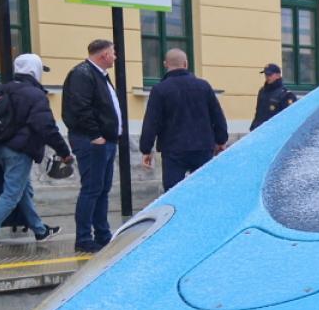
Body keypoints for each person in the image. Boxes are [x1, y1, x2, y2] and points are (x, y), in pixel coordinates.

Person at [0, 53, 70, 248]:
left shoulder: (1, 89)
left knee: (23, 191)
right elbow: (46, 126)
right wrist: (63, 150)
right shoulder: (34, 94)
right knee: (12, 193)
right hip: (20, 150)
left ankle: (40, 231)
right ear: (35, 70)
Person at [61, 38, 124, 253]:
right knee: (92, 189)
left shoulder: (99, 75)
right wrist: (96, 135)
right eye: (113, 53)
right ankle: (84, 238)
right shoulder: (83, 74)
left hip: (105, 141)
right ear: (104, 55)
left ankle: (102, 234)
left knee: (102, 189)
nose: (115, 57)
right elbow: (80, 108)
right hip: (92, 142)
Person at [140, 48, 229, 192]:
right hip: (202, 147)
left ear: (165, 64)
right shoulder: (203, 86)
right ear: (186, 64)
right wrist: (221, 140)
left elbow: (151, 122)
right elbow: (217, 115)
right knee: (203, 191)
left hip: (173, 149)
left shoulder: (160, 90)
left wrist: (146, 149)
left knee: (173, 193)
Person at [252, 62, 298, 129]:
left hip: (274, 132)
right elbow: (258, 113)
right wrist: (253, 127)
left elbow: (289, 118)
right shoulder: (262, 91)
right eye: (266, 75)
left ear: (278, 75)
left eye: (270, 75)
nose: (267, 77)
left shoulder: (286, 94)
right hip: (259, 131)